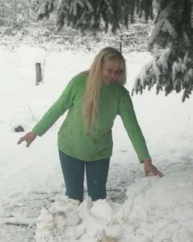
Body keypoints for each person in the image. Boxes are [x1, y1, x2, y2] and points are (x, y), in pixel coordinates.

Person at [18, 47, 162, 202]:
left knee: (98, 200)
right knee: (73, 199)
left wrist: (146, 159)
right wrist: (35, 132)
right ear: (99, 65)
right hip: (70, 147)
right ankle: (73, 226)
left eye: (118, 72)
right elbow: (58, 108)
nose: (113, 76)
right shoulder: (79, 82)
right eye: (109, 70)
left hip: (99, 152)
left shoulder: (120, 94)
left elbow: (132, 127)